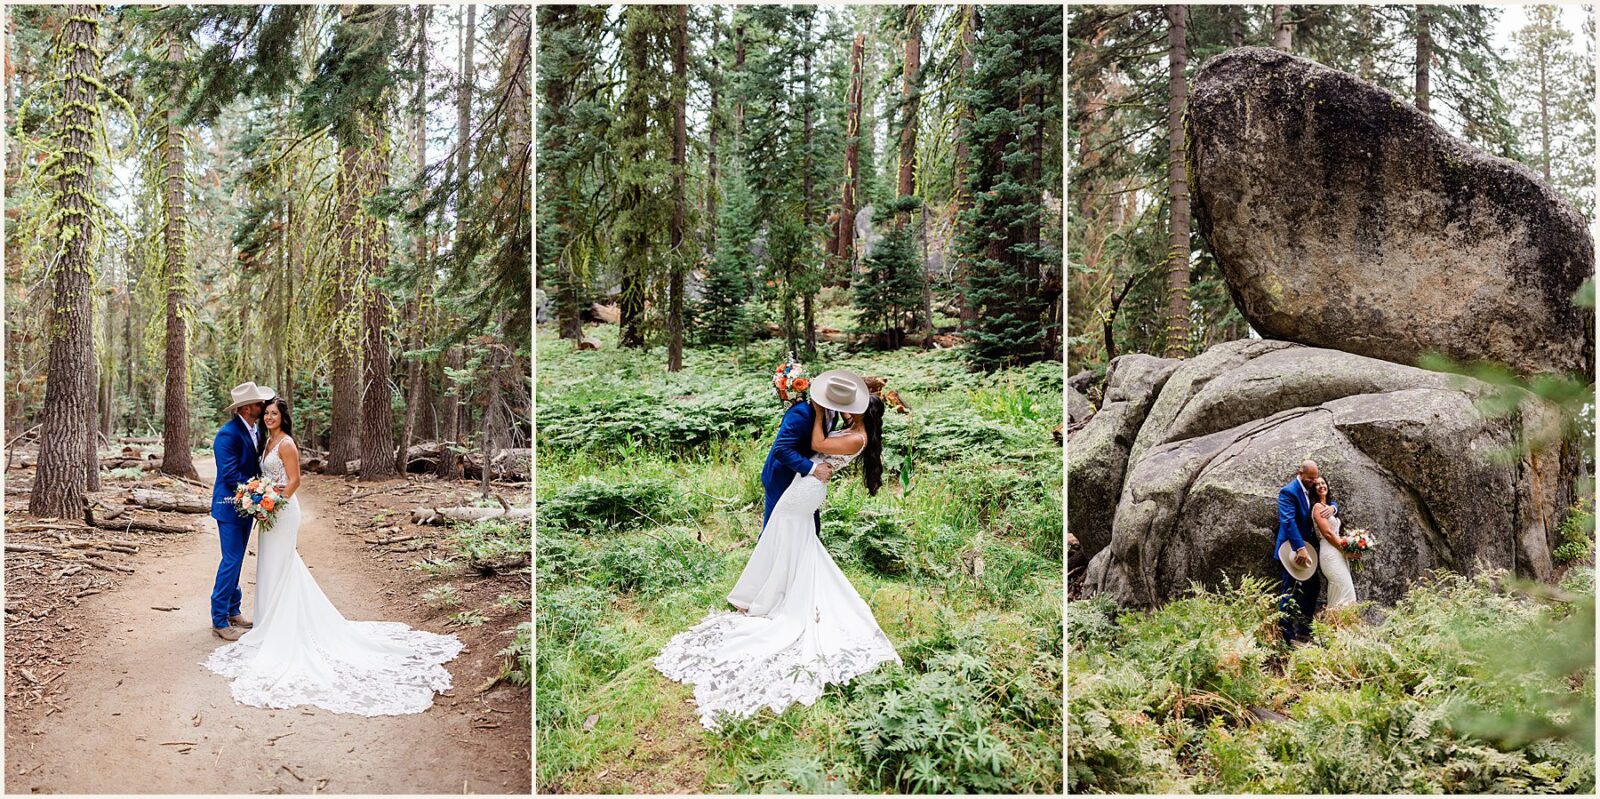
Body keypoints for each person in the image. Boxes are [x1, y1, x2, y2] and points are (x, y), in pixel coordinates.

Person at [655, 370, 900, 728]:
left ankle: (782, 597)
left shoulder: (849, 434)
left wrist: (818, 424)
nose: (845, 411)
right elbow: (787, 448)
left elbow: (818, 444)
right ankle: (775, 592)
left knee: (793, 538)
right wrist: (815, 435)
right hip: (798, 484)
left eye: (850, 408)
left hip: (806, 487)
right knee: (788, 538)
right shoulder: (822, 419)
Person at [204, 395, 463, 715]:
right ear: (249, 409)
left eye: (271, 412)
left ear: (281, 417)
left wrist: (269, 502)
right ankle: (228, 617)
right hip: (244, 507)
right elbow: (233, 475)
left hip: (277, 510)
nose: (265, 414)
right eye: (263, 409)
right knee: (250, 563)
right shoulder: (243, 435)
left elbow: (293, 480)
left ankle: (245, 614)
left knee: (277, 564)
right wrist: (257, 499)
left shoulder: (281, 441)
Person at [209, 382, 274, 640]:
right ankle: (219, 619)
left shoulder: (254, 429)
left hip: (246, 506)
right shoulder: (228, 434)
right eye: (259, 403)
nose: (263, 407)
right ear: (247, 408)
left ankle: (233, 609)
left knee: (236, 560)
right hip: (230, 506)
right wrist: (256, 493)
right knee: (231, 560)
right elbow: (229, 475)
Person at [1274, 459, 1337, 643]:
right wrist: (1299, 547)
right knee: (1288, 590)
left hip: (1309, 549)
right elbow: (1288, 521)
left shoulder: (1309, 489)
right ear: (1300, 473)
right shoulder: (1288, 491)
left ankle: (1303, 631)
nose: (1313, 482)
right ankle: (1285, 635)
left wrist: (1334, 508)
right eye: (1310, 478)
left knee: (1312, 587)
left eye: (1315, 478)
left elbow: (1327, 498)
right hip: (1291, 551)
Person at [1310, 476, 1357, 608]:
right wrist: (1346, 549)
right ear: (1313, 489)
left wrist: (1352, 547)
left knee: (1339, 593)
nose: (1321, 486)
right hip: (1330, 552)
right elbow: (1328, 533)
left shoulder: (1330, 507)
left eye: (1323, 483)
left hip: (1338, 552)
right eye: (1317, 485)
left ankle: (1335, 625)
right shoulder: (1317, 507)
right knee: (1347, 593)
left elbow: (1335, 531)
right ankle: (1342, 625)